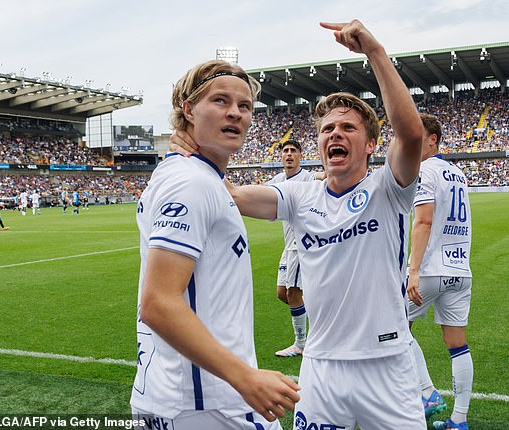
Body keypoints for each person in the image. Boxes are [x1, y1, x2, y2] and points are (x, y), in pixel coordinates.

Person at [171, 19, 426, 429]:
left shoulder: (388, 188)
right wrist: (192, 146)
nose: (334, 134)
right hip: (321, 367)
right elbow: (231, 195)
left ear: (371, 144)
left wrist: (375, 53)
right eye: (327, 129)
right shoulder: (301, 195)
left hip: (386, 364)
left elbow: (411, 134)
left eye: (347, 127)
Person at [130, 59, 300, 430]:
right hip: (204, 404)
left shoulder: (196, 176)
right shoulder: (191, 182)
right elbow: (157, 302)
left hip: (196, 397)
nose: (236, 113)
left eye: (245, 106)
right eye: (221, 101)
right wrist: (245, 377)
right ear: (188, 109)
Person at [406, 114, 473, 430]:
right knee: (458, 344)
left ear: (432, 139)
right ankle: (459, 420)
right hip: (460, 269)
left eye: (417, 136)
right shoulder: (458, 173)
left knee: (392, 324)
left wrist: (413, 270)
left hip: (432, 268)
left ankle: (426, 392)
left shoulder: (425, 171)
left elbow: (423, 221)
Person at [267, 139, 324, 357]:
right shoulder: (278, 180)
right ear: (280, 156)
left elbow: (322, 177)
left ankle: (301, 344)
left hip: (302, 244)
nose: (289, 154)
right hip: (287, 246)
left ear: (300, 155)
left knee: (293, 293)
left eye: (293, 151)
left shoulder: (307, 178)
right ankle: (321, 319)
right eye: (285, 151)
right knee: (283, 293)